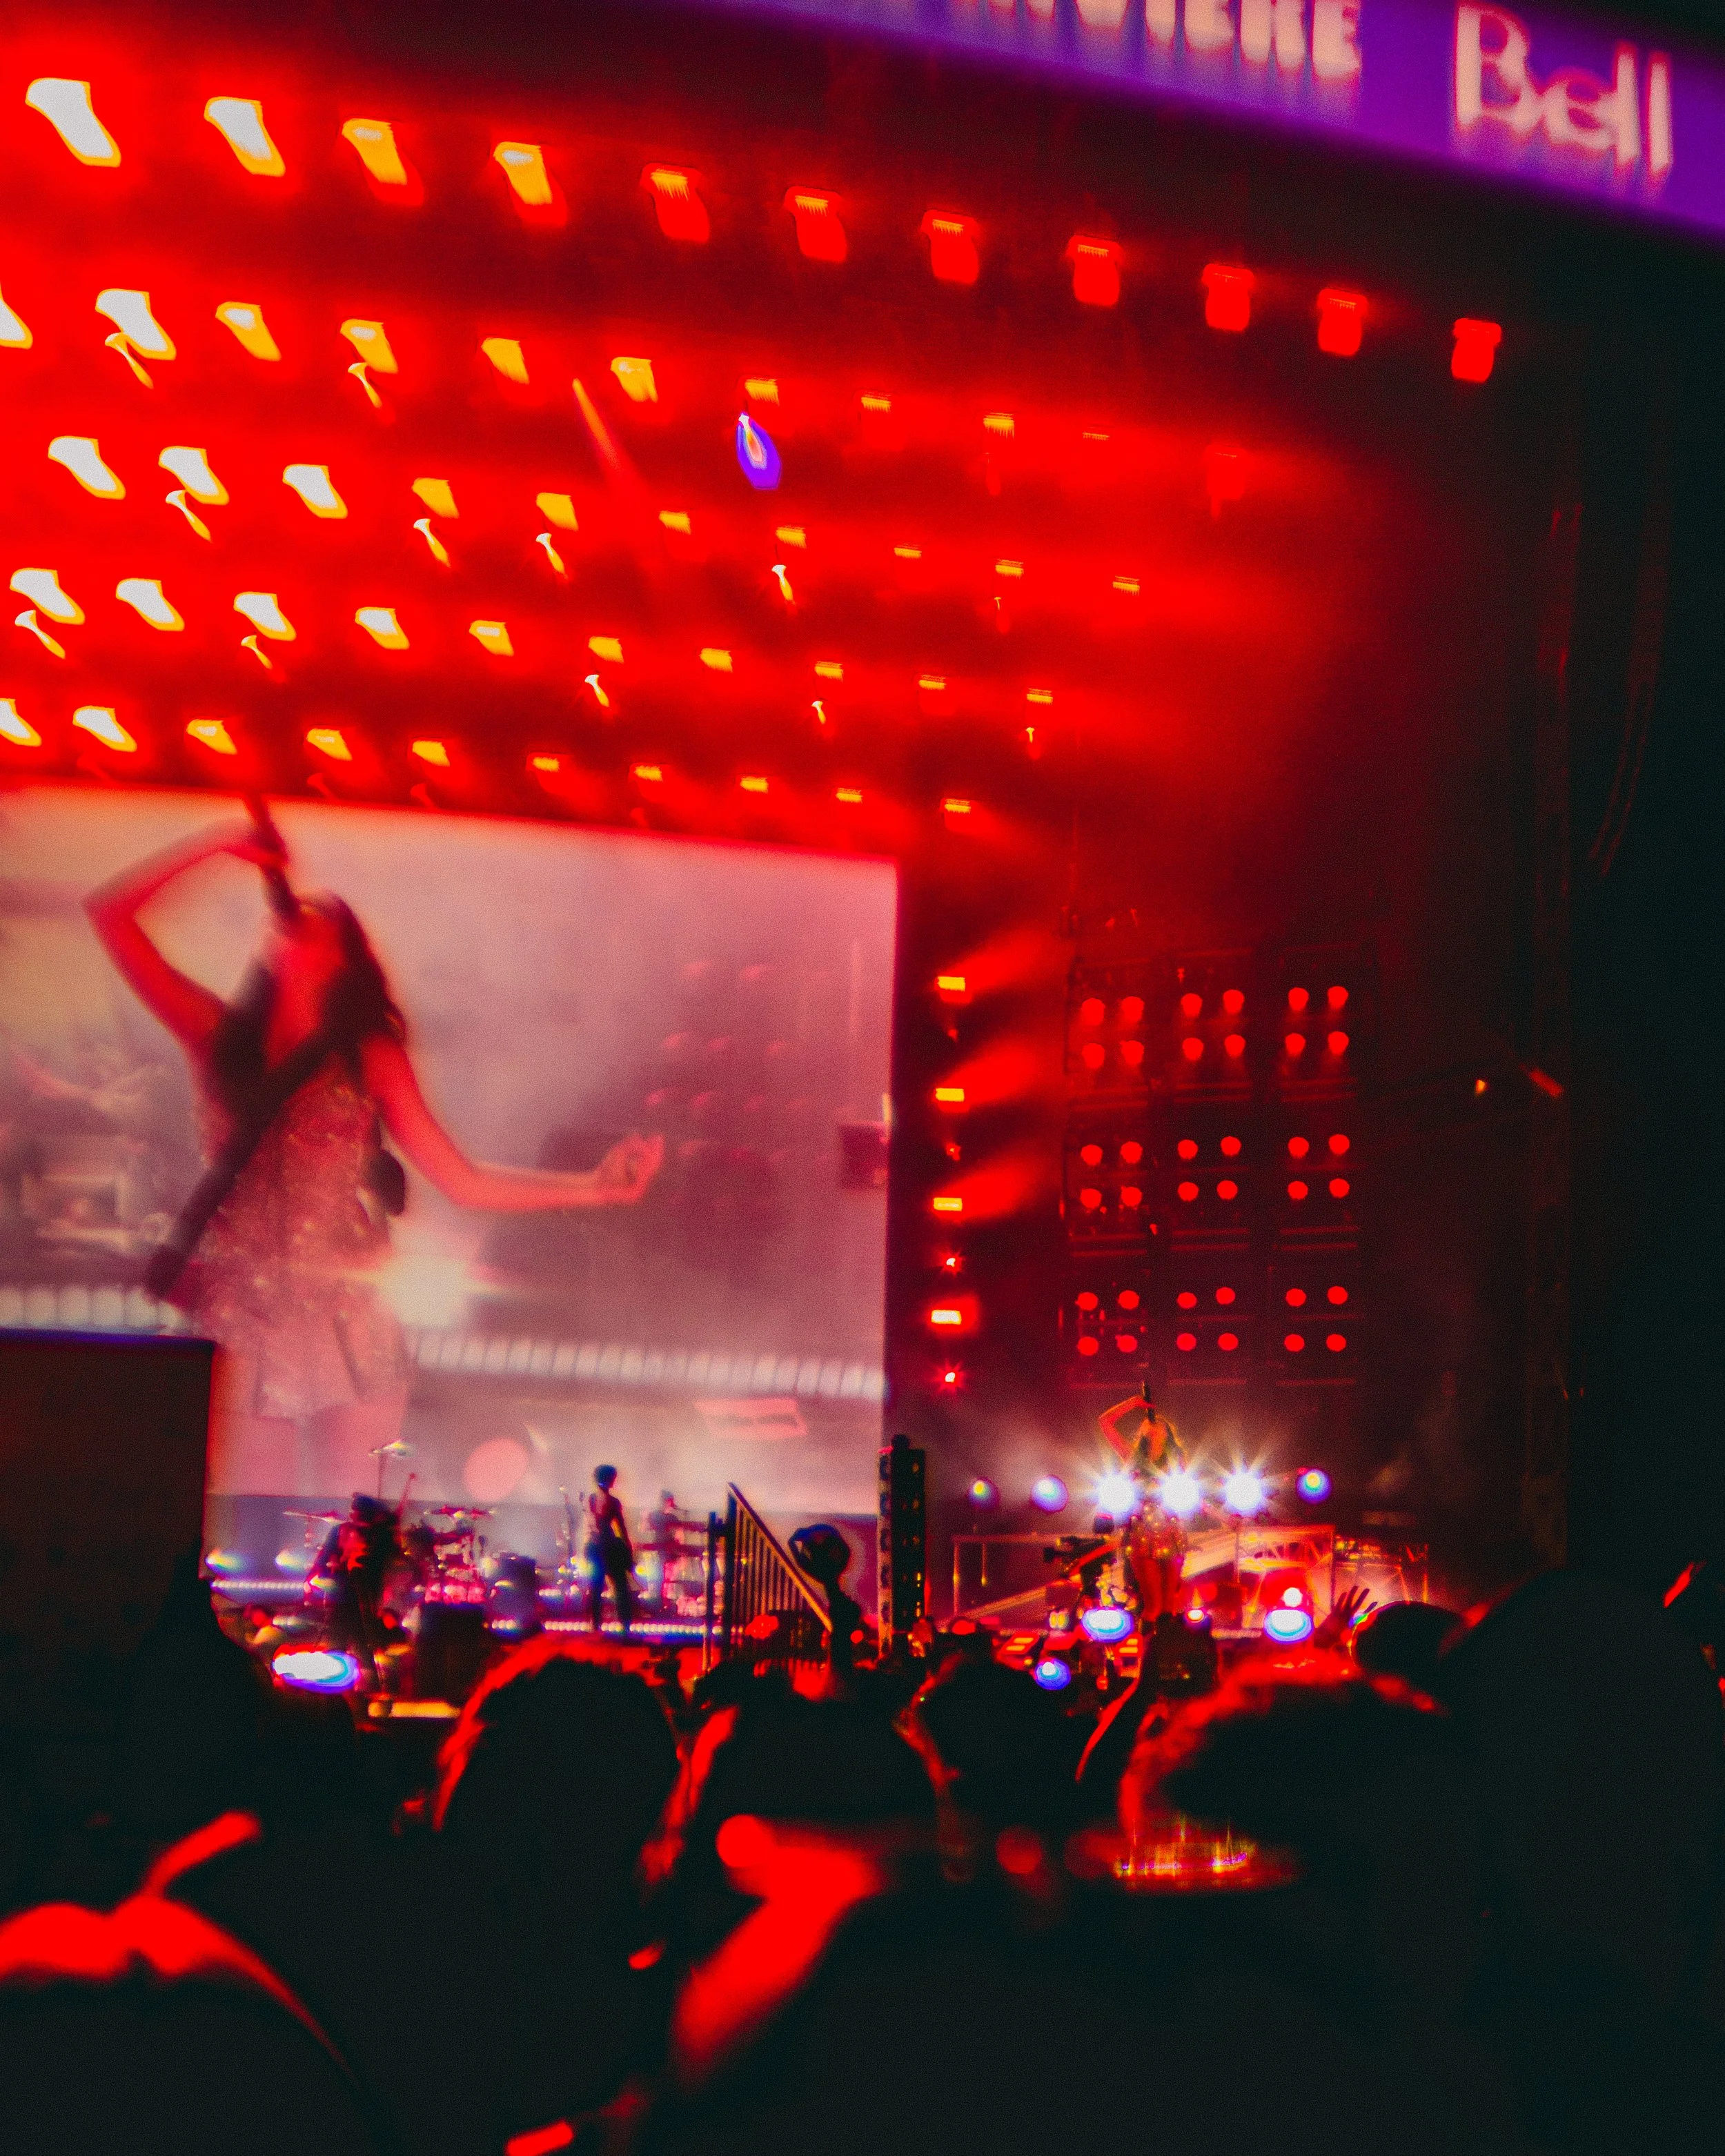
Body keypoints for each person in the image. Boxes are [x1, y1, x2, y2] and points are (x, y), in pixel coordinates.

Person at [84, 812, 663, 1515]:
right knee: (249, 1520)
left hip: (348, 1313)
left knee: (353, 1524)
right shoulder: (215, 1036)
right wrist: (217, 844)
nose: (295, 919)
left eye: (321, 921)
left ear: (345, 959)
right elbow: (110, 916)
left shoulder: (370, 1057)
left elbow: (458, 1177)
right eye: (289, 917)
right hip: (241, 1312)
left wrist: (594, 1187)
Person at [586, 1465, 635, 1634]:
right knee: (621, 1586)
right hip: (609, 1547)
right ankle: (625, 1625)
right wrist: (628, 1547)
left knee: (596, 1586)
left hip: (594, 1547)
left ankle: (595, 1624)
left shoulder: (590, 1499)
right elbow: (620, 1527)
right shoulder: (613, 1502)